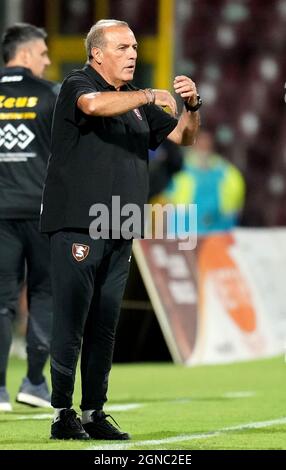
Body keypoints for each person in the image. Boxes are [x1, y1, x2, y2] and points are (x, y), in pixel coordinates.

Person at [40, 19, 200, 440]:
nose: (133, 54)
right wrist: (151, 95)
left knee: (105, 323)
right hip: (77, 223)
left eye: (134, 46)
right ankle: (62, 413)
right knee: (72, 319)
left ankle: (93, 411)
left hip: (120, 224)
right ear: (97, 53)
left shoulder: (134, 100)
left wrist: (192, 106)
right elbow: (92, 106)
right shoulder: (77, 84)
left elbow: (184, 137)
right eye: (124, 47)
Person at [0, 23, 58, 411]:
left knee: (1, 302)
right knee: (45, 295)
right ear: (24, 55)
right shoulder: (50, 95)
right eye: (42, 53)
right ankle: (35, 382)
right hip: (42, 212)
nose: (48, 60)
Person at [159, 129, 245, 235]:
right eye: (201, 143)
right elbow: (164, 203)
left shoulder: (229, 174)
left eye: (207, 144)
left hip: (219, 232)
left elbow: (237, 208)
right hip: (183, 232)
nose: (204, 147)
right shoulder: (178, 169)